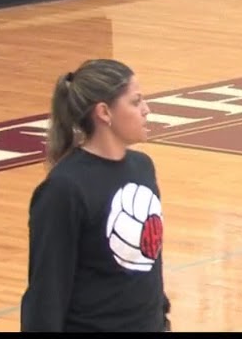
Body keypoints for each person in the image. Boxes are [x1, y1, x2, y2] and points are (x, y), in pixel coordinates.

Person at [20, 59, 172, 332]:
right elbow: (46, 292)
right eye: (135, 102)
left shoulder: (142, 168)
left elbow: (147, 266)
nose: (146, 110)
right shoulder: (64, 189)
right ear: (104, 112)